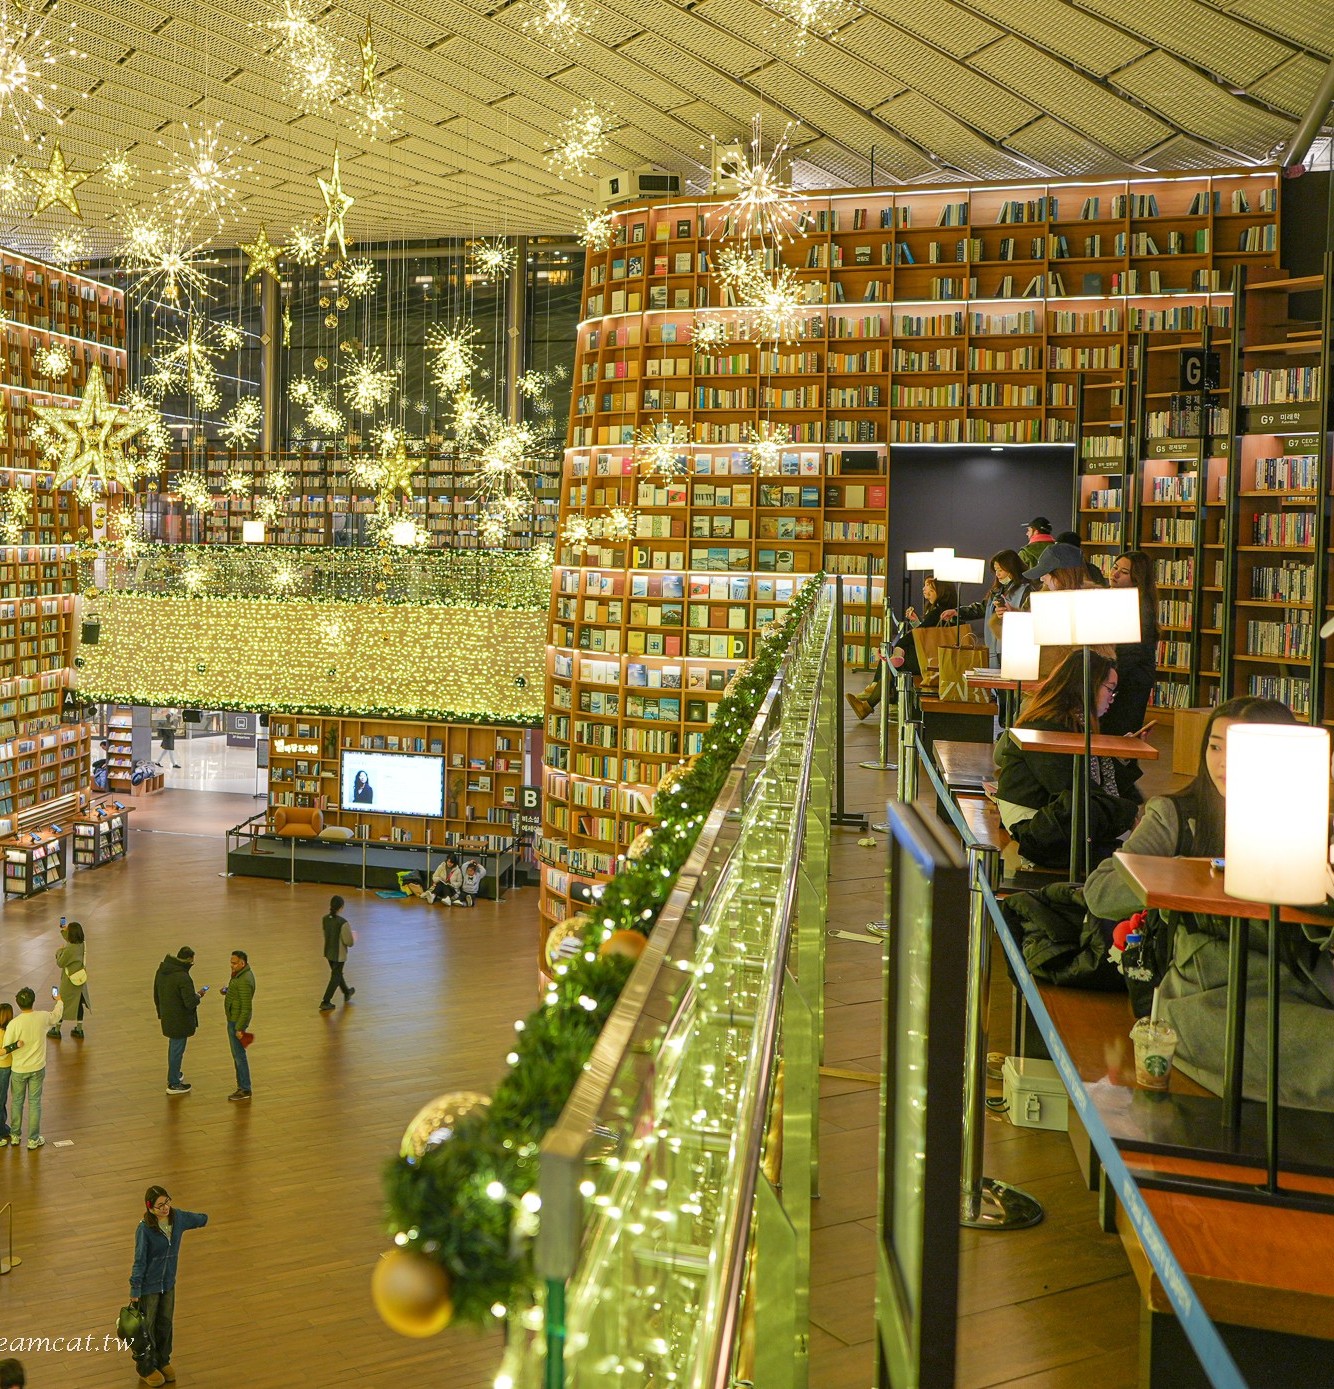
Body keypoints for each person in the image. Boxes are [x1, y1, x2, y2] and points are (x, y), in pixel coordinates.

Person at [1085, 696, 1334, 1109]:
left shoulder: (1309, 826)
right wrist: (1188, 875)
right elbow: (1100, 893)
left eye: (1240, 750)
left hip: (1301, 981)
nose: (1223, 762)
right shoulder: (1178, 816)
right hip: (1208, 991)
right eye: (1216, 746)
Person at [992, 650, 1139, 873]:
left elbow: (1091, 785)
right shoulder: (1047, 726)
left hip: (1050, 814)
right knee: (1118, 852)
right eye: (1109, 689)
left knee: (1118, 841)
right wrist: (1127, 814)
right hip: (1031, 823)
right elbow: (1073, 788)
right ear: (1086, 685)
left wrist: (1123, 758)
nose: (1112, 698)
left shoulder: (1074, 722)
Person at [846, 575, 960, 720]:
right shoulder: (939, 610)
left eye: (929, 587)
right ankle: (875, 697)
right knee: (893, 658)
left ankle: (873, 696)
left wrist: (898, 646)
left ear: (940, 590)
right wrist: (915, 624)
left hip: (932, 662)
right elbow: (926, 634)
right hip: (934, 658)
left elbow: (917, 635)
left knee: (893, 660)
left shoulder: (939, 612)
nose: (924, 589)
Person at [128, 1186, 209, 1388]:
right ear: (150, 1208)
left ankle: (163, 1361)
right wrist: (135, 1290)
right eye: (160, 1205)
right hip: (149, 1287)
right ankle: (146, 1367)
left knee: (165, 1323)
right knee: (147, 1328)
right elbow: (139, 1261)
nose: (165, 1208)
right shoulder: (144, 1229)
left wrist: (204, 1218)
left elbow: (200, 1218)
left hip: (168, 1284)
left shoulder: (178, 1218)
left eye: (167, 1202)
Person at [1100, 550, 1159, 737]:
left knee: (1118, 736)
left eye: (1124, 572)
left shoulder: (1141, 609)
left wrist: (1105, 682)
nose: (1114, 574)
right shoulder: (1110, 598)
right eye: (1115, 567)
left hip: (1129, 682)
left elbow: (1130, 654)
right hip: (1114, 676)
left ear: (1137, 579)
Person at [940, 548, 1030, 664]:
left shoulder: (1025, 590)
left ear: (1011, 569)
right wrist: (957, 612)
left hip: (1014, 646)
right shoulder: (997, 591)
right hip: (994, 646)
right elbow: (982, 608)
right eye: (996, 570)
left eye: (1000, 570)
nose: (997, 574)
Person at [2, 987, 62, 1148]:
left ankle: (15, 1135)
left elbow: (5, 1048)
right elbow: (56, 1016)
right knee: (35, 1102)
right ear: (33, 1001)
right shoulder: (42, 1017)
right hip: (37, 1068)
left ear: (18, 1003)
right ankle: (33, 1139)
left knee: (16, 1102)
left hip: (19, 1069)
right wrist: (59, 1001)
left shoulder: (14, 1024)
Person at [154, 947, 205, 1096]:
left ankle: (175, 1074)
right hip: (180, 1019)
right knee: (177, 1050)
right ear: (188, 960)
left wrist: (160, 1013)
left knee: (173, 1047)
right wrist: (199, 996)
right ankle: (174, 1083)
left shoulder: (162, 971)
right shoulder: (183, 977)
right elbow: (189, 1002)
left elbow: (156, 994)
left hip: (168, 1015)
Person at [222, 950, 255, 1101]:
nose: (231, 965)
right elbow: (239, 995)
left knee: (239, 1056)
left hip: (236, 1022)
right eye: (231, 962)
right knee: (237, 1055)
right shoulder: (239, 976)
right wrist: (228, 991)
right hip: (234, 1018)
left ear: (243, 963)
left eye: (234, 963)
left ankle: (244, 1089)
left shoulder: (244, 980)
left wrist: (239, 1028)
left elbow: (246, 1007)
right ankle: (241, 1086)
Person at [49, 918, 88, 1040]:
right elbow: (70, 939)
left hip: (69, 980)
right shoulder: (81, 944)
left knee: (62, 1002)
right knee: (79, 1003)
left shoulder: (69, 949)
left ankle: (57, 1029)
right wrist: (63, 929)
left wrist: (60, 951)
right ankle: (79, 1029)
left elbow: (60, 963)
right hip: (80, 978)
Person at [319, 895, 356, 1011]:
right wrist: (353, 938)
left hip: (328, 952)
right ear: (341, 907)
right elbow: (349, 942)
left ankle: (347, 992)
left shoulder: (325, 919)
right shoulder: (343, 923)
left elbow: (326, 935)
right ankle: (326, 1001)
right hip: (339, 955)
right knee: (336, 976)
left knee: (337, 973)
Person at [0, 1003, 12, 1145]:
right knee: (1, 1099)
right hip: (4, 1068)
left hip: (4, 1068)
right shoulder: (8, 1032)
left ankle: (3, 1127)